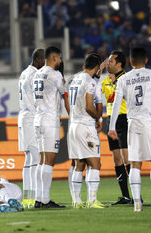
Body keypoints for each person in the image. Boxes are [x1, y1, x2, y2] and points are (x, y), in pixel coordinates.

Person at [108, 47, 151, 212]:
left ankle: (137, 203)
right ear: (146, 60)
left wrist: (111, 127)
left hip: (132, 123)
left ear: (131, 62)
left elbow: (116, 104)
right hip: (150, 123)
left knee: (135, 163)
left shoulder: (124, 79)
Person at [68, 53, 105, 209]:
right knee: (95, 163)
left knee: (79, 164)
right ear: (96, 68)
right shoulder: (89, 82)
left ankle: (76, 201)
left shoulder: (74, 79)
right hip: (85, 126)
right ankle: (92, 200)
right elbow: (90, 106)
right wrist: (98, 118)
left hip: (73, 125)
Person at [33, 46, 67, 208]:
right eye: (60, 58)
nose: (60, 61)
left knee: (42, 160)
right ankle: (44, 199)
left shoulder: (37, 74)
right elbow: (65, 94)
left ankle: (39, 199)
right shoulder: (55, 75)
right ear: (54, 57)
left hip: (38, 120)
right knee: (49, 160)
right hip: (49, 121)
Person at [102, 50, 132, 205]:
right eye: (107, 61)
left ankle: (136, 194)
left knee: (127, 158)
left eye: (111, 61)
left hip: (124, 119)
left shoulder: (126, 79)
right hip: (110, 121)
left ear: (119, 63)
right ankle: (126, 196)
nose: (108, 63)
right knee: (117, 159)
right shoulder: (106, 81)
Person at [18, 48, 45, 209]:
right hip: (30, 118)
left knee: (29, 159)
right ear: (38, 60)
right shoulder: (34, 75)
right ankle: (35, 197)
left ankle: (28, 196)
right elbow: (33, 99)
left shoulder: (24, 73)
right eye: (44, 61)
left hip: (23, 118)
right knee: (35, 158)